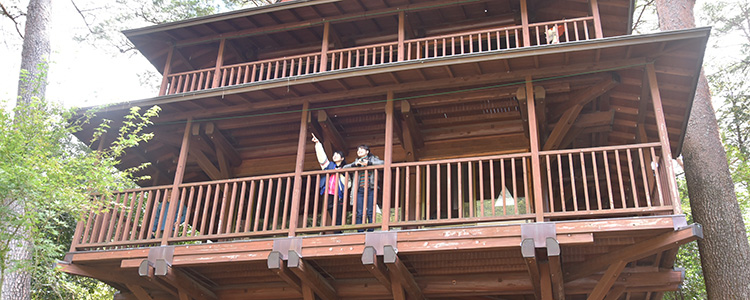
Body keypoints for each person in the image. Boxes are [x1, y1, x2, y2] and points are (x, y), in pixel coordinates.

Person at [342, 144, 384, 229]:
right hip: (359, 189)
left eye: (362, 149)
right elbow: (344, 167)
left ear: (367, 151)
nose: (359, 151)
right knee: (359, 212)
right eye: (358, 150)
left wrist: (369, 163)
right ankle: (360, 230)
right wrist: (355, 165)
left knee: (370, 211)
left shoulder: (373, 159)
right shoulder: (357, 161)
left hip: (371, 188)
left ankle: (370, 229)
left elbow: (382, 163)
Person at [312, 134, 347, 226]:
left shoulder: (345, 168)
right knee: (330, 209)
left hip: (339, 193)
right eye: (334, 155)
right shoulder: (329, 165)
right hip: (328, 192)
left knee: (339, 211)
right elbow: (322, 157)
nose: (335, 156)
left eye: (337, 155)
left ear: (342, 158)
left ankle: (338, 230)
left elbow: (348, 182)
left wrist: (340, 173)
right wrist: (318, 144)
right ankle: (336, 228)